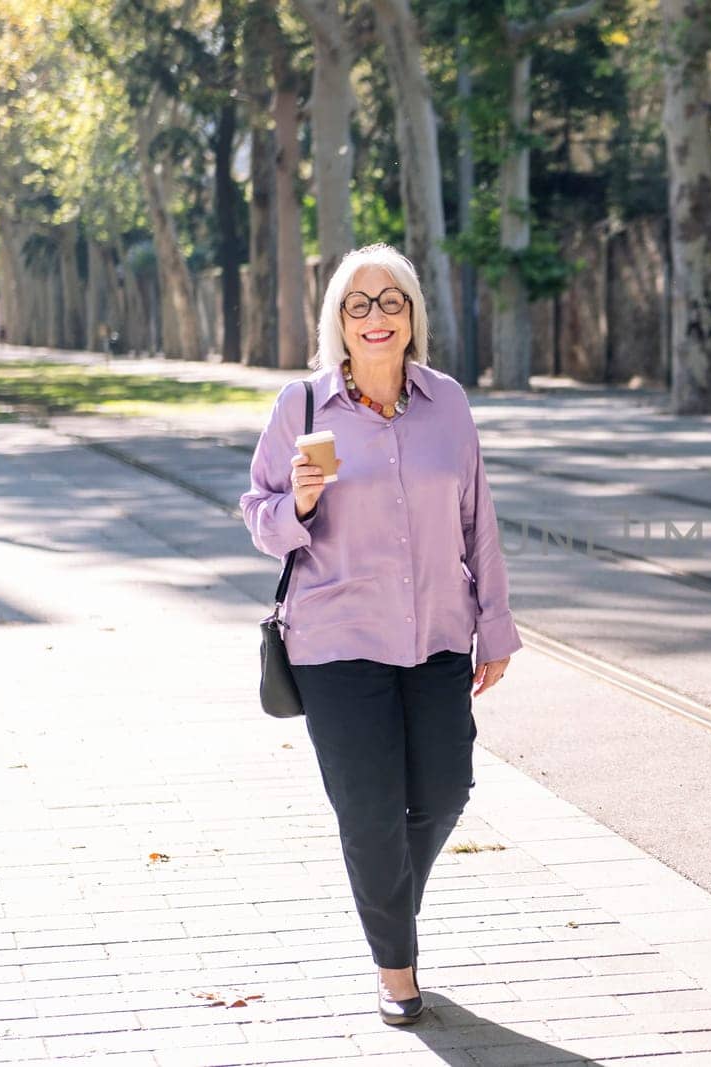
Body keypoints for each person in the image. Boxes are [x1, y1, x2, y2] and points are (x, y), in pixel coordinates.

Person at [239, 243, 521, 1026]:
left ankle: (387, 901)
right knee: (369, 811)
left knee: (443, 791)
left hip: (435, 635)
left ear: (411, 316)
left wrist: (494, 625)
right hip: (336, 641)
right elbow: (258, 517)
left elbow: (478, 520)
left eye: (390, 300)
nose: (374, 316)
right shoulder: (301, 407)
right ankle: (395, 967)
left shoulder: (449, 404)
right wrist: (294, 504)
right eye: (357, 303)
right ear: (337, 320)